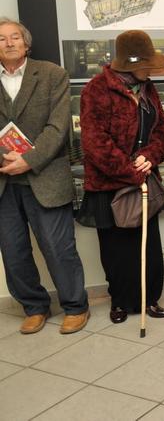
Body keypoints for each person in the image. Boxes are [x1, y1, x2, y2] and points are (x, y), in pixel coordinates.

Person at [0, 18, 90, 334]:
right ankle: (34, 307)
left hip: (46, 177)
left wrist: (28, 160)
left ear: (26, 43)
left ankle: (75, 307)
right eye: (1, 38)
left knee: (58, 247)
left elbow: (58, 127)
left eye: (14, 37)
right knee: (13, 252)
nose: (8, 43)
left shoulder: (53, 74)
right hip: (4, 180)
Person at [79, 30, 164, 324]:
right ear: (130, 65)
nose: (150, 70)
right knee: (116, 249)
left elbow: (161, 129)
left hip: (143, 178)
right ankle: (119, 301)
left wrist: (150, 156)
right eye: (146, 65)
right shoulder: (96, 89)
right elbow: (95, 143)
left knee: (148, 244)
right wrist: (130, 171)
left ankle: (149, 298)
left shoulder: (148, 89)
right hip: (109, 183)